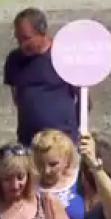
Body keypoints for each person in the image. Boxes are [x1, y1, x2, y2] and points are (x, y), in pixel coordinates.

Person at [5, 8, 82, 149]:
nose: (22, 44)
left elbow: (83, 99)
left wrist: (72, 130)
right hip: (28, 141)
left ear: (43, 32)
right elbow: (17, 98)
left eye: (27, 38)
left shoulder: (64, 56)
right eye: (18, 38)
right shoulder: (14, 60)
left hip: (62, 141)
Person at [32, 127, 85, 219]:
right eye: (40, 164)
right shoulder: (28, 185)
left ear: (67, 159)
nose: (46, 171)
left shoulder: (81, 179)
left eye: (53, 164)